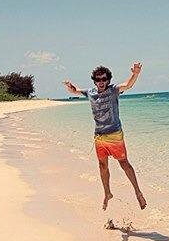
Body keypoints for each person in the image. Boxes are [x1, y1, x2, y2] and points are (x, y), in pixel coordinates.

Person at [62, 63, 147, 212]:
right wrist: (70, 87)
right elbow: (76, 91)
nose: (101, 81)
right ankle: (107, 193)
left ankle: (138, 192)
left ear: (108, 80)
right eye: (98, 79)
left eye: (104, 79)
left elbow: (127, 85)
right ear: (94, 81)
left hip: (114, 134)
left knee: (124, 163)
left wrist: (135, 74)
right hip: (99, 137)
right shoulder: (91, 92)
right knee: (102, 165)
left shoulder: (113, 90)